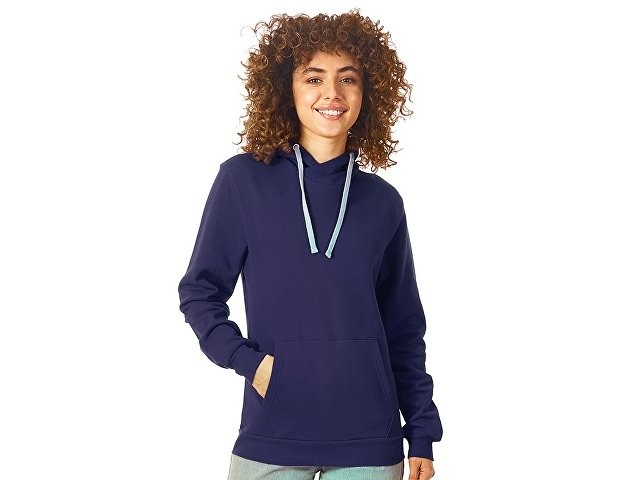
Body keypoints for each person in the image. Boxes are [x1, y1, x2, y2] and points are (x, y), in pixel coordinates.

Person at [178, 10, 443, 480]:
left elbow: (404, 326)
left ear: (367, 92)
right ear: (287, 89)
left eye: (348, 79)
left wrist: (420, 431)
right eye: (314, 78)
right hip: (272, 432)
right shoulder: (243, 181)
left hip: (370, 441)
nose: (332, 93)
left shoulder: (383, 202)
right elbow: (200, 291)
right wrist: (251, 364)